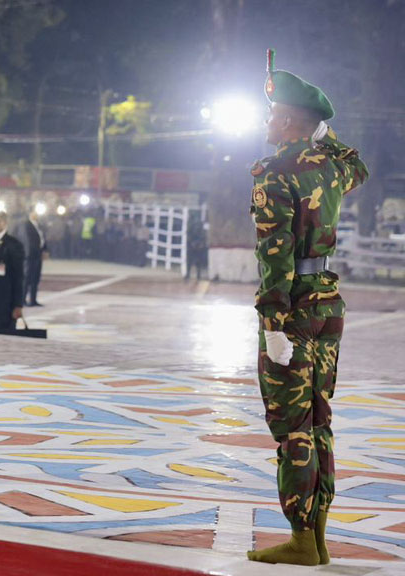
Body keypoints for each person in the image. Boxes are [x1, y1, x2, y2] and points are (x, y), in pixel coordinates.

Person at [245, 50, 369, 567]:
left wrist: (272, 322)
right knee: (319, 420)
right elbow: (358, 166)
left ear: (292, 120)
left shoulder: (274, 172)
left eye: (274, 114)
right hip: (327, 303)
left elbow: (273, 253)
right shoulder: (331, 168)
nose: (267, 122)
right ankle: (317, 537)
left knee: (291, 425)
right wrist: (327, 137)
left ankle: (300, 539)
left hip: (292, 308)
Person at [21, 206, 48, 306]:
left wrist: (44, 250)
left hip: (38, 255)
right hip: (31, 256)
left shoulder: (39, 225)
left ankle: (33, 300)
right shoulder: (27, 225)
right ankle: (22, 299)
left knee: (35, 278)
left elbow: (42, 238)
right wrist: (35, 252)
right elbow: (29, 241)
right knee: (27, 278)